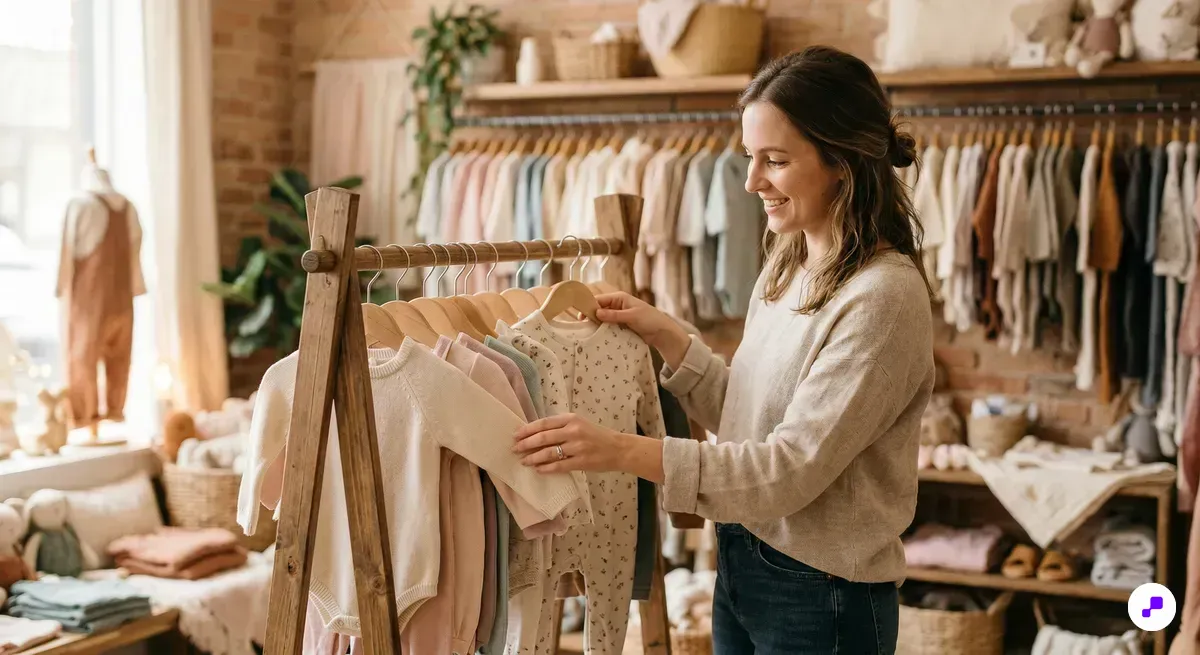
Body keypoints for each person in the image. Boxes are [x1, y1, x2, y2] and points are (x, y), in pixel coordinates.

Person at [513, 45, 935, 654]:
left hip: (824, 595)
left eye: (776, 161)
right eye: (749, 157)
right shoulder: (789, 264)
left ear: (842, 160)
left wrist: (620, 451)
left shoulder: (882, 298)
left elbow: (787, 471)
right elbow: (749, 418)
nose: (750, 181)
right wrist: (668, 335)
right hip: (742, 562)